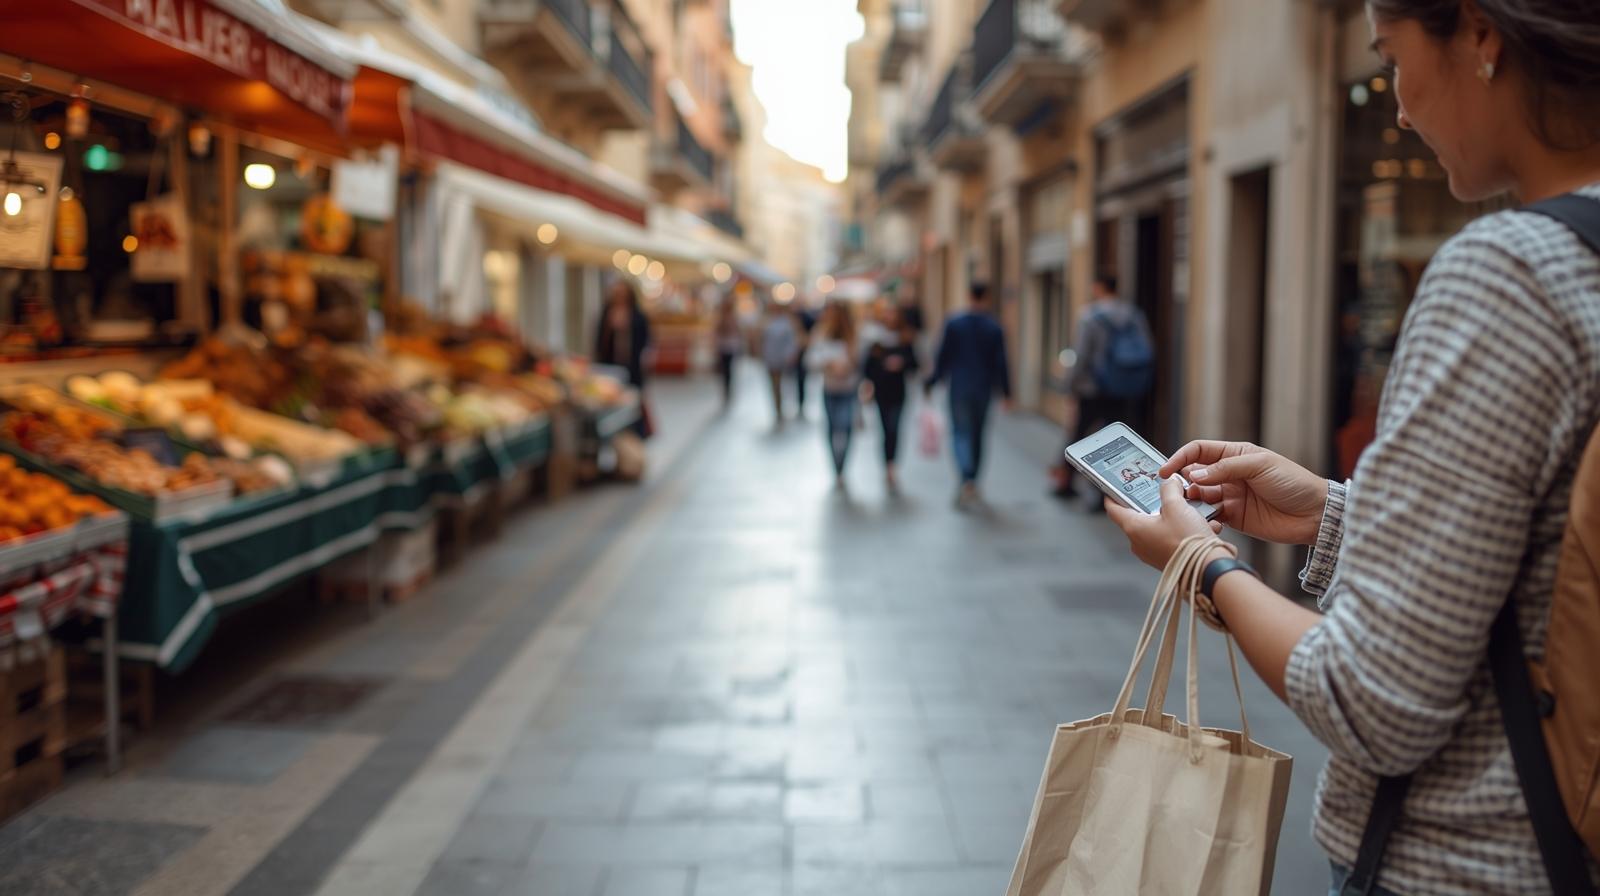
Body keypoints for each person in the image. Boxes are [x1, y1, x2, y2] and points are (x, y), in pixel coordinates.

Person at [1105, 3, 1600, 893]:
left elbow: (1371, 700)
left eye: (1393, 56)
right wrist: (1333, 512)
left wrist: (1201, 562)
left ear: (1481, 36)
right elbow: (1551, 555)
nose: (1401, 108)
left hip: (1475, 861)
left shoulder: (1513, 273)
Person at [1054, 274, 1155, 505]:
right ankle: (1107, 494)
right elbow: (1147, 349)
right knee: (1117, 441)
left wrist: (1069, 386)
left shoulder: (1090, 316)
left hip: (1093, 387)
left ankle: (1066, 484)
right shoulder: (1133, 315)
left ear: (1098, 287)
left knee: (1079, 437)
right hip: (1123, 389)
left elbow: (1081, 355)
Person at [924, 282, 1013, 508]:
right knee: (977, 434)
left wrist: (932, 381)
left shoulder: (955, 323)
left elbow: (942, 356)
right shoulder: (994, 327)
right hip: (983, 389)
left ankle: (966, 478)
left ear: (968, 295)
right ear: (987, 297)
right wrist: (1006, 392)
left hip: (959, 387)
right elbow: (1001, 362)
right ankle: (972, 479)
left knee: (960, 433)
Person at [862, 302, 919, 489]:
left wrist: (901, 363)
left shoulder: (905, 338)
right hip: (881, 390)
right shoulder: (876, 339)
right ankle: (887, 464)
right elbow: (867, 368)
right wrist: (881, 368)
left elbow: (915, 364)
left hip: (899, 391)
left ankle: (892, 465)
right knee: (885, 429)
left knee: (894, 428)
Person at [808, 300, 862, 488]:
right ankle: (836, 468)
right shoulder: (821, 333)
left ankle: (842, 465)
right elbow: (811, 359)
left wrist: (849, 364)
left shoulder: (854, 335)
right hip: (830, 388)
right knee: (832, 428)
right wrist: (828, 364)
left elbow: (862, 361)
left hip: (848, 388)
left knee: (845, 426)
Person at [595, 278, 652, 438]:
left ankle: (636, 433)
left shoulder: (637, 315)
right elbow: (600, 340)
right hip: (610, 365)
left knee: (633, 401)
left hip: (632, 366)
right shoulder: (607, 313)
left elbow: (644, 339)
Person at [759, 299, 799, 427]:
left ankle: (782, 406)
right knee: (774, 385)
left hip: (781, 358)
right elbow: (762, 340)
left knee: (782, 384)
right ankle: (777, 408)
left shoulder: (786, 322)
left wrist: (790, 354)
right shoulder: (766, 321)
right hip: (770, 357)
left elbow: (791, 340)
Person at [714, 299, 743, 408]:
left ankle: (728, 388)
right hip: (724, 346)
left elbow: (737, 332)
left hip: (730, 346)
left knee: (728, 369)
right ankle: (726, 388)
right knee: (726, 370)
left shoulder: (732, 318)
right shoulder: (722, 318)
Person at [792, 301, 818, 420]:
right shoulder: (794, 319)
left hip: (802, 354)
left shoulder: (807, 319)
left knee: (801, 380)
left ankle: (801, 403)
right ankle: (799, 403)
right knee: (798, 381)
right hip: (796, 354)